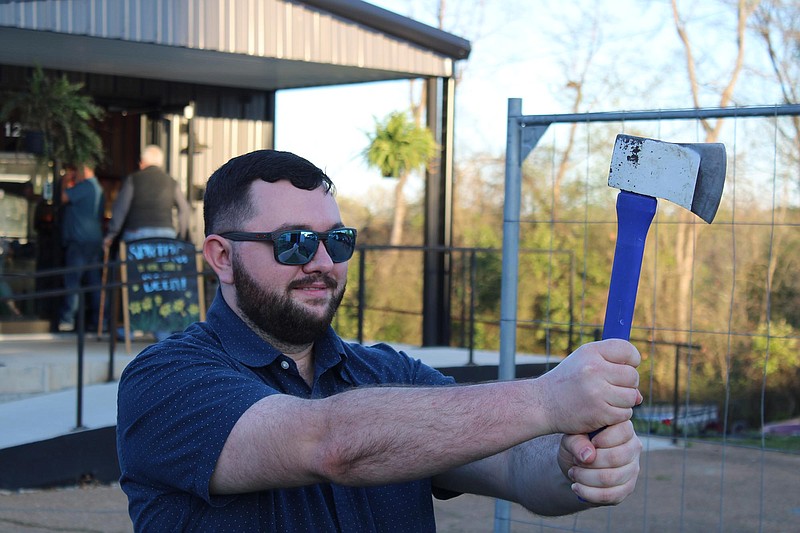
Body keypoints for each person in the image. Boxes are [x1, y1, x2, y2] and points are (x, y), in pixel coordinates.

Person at [116, 150, 643, 531]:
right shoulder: (165, 380)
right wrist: (549, 398)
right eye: (294, 243)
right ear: (221, 257)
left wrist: (575, 465)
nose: (323, 263)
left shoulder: (390, 375)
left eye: (337, 241)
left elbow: (512, 466)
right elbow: (330, 444)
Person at [103, 144, 190, 247]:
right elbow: (184, 209)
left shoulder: (133, 179)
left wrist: (111, 234)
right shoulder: (171, 182)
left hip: (137, 233)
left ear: (143, 162)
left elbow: (120, 209)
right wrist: (182, 235)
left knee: (131, 260)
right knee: (162, 263)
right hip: (166, 234)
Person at [57, 165, 104, 332]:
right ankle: (100, 321)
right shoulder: (97, 188)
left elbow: (63, 197)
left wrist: (64, 181)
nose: (74, 175)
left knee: (73, 281)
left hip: (80, 241)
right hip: (92, 241)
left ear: (84, 170)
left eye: (76, 172)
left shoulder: (86, 186)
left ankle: (67, 320)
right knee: (94, 283)